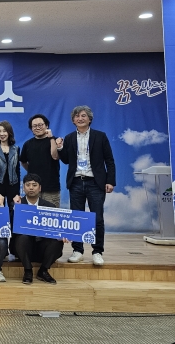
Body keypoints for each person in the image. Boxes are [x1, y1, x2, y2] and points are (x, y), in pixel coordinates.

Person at [57, 105, 116, 266]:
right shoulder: (69, 138)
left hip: (95, 182)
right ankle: (78, 250)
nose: (80, 118)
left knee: (97, 218)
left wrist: (110, 181)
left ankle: (97, 251)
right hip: (76, 181)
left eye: (83, 116)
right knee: (76, 218)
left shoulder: (100, 136)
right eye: (77, 116)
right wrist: (60, 147)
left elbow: (109, 160)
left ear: (90, 119)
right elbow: (66, 160)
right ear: (73, 120)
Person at [12, 174, 65, 284]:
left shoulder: (49, 207)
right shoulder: (17, 204)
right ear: (23, 187)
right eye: (28, 185)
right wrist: (17, 207)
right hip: (23, 248)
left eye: (34, 185)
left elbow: (56, 229)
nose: (31, 188)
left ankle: (43, 271)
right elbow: (10, 227)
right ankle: (28, 271)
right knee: (22, 237)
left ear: (40, 188)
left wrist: (61, 235)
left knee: (57, 241)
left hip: (42, 248)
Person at [19, 114, 61, 207]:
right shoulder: (27, 144)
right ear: (31, 128)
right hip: (33, 188)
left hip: (51, 188)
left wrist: (51, 138)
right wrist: (32, 170)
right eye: (34, 126)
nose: (37, 128)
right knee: (31, 214)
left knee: (51, 214)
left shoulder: (56, 140)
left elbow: (55, 156)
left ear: (46, 125)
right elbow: (23, 161)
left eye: (40, 125)